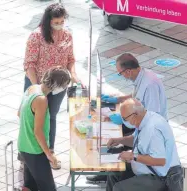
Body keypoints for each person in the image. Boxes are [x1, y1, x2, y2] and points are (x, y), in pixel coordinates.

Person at [87, 53, 168, 182]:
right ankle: (109, 170)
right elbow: (136, 95)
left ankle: (118, 171)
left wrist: (125, 120)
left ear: (128, 71)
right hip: (139, 121)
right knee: (116, 135)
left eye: (120, 73)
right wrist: (119, 99)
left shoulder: (150, 84)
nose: (121, 76)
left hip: (149, 128)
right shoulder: (141, 76)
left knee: (119, 132)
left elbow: (152, 115)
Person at [22, 3, 83, 157]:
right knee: (33, 117)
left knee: (52, 115)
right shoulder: (36, 36)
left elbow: (70, 59)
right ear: (48, 20)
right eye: (56, 22)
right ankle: (27, 152)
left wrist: (74, 74)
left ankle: (50, 151)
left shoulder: (67, 35)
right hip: (38, 82)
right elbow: (29, 64)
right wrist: (36, 87)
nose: (59, 25)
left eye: (62, 22)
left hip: (59, 85)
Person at [106, 98, 183, 191]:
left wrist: (132, 156)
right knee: (114, 172)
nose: (124, 121)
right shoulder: (144, 119)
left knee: (119, 188)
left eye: (125, 119)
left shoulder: (153, 129)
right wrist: (119, 140)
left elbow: (160, 161)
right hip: (146, 167)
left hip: (161, 176)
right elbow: (136, 139)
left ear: (135, 114)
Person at [17, 68, 71, 191]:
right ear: (57, 86)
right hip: (34, 149)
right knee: (48, 187)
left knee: (30, 185)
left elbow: (19, 113)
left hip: (24, 145)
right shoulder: (41, 99)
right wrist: (49, 154)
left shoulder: (32, 88)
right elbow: (38, 131)